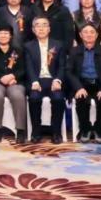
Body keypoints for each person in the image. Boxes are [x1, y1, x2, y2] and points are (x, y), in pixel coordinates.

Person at [66, 22, 101, 144]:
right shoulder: (74, 51)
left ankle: (99, 131)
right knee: (81, 99)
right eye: (85, 32)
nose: (89, 35)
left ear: (97, 35)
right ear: (80, 35)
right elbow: (69, 72)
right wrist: (78, 87)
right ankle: (85, 130)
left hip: (100, 84)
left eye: (92, 32)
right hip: (82, 83)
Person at [24, 14, 66, 143]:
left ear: (49, 29)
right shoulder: (28, 46)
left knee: (58, 98)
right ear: (33, 30)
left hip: (53, 80)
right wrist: (34, 81)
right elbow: (28, 66)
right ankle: (36, 132)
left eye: (44, 25)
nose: (41, 28)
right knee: (34, 98)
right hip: (37, 80)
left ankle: (56, 132)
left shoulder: (58, 45)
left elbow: (62, 66)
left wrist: (58, 80)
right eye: (37, 26)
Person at [0, 23, 27, 142]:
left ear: (11, 35)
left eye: (6, 33)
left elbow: (23, 68)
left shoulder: (18, 50)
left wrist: (13, 76)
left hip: (14, 82)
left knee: (18, 95)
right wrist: (0, 78)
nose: (3, 35)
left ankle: (20, 130)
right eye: (0, 33)